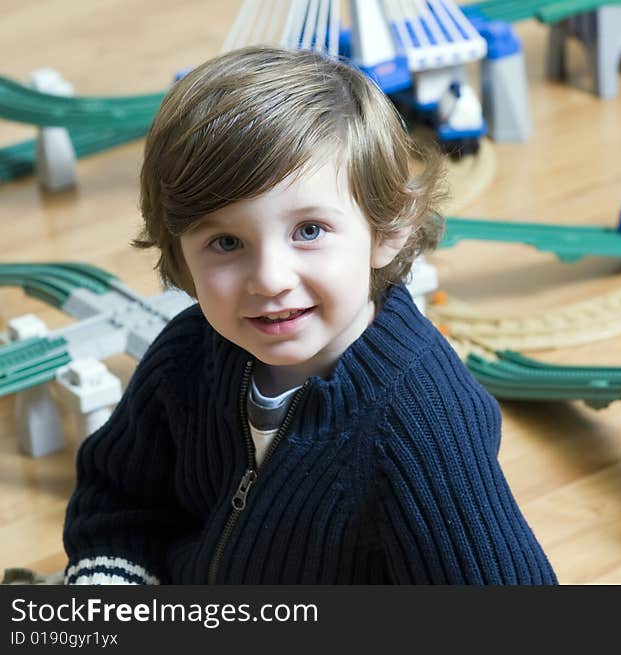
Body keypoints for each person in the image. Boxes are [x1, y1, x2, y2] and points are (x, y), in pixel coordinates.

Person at [62, 46, 557, 585]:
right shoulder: (188, 352)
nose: (270, 279)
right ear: (179, 254)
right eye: (226, 242)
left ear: (387, 231)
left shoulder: (422, 425)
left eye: (309, 231)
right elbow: (118, 495)